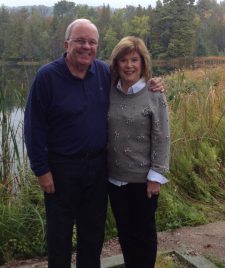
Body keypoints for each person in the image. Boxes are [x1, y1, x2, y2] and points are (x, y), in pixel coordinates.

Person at [24, 19, 164, 268]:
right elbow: (34, 127)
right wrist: (41, 170)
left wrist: (154, 82)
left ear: (97, 47)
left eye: (91, 42)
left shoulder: (102, 73)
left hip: (98, 170)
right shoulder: (47, 77)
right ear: (67, 43)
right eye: (80, 40)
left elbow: (131, 78)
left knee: (92, 237)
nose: (86, 46)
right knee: (60, 237)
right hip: (61, 170)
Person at [107, 36, 170, 268]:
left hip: (143, 182)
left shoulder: (154, 93)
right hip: (114, 179)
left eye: (134, 59)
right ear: (116, 63)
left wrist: (156, 176)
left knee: (144, 236)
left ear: (143, 62)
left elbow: (162, 137)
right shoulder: (110, 91)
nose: (129, 65)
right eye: (123, 60)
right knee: (125, 234)